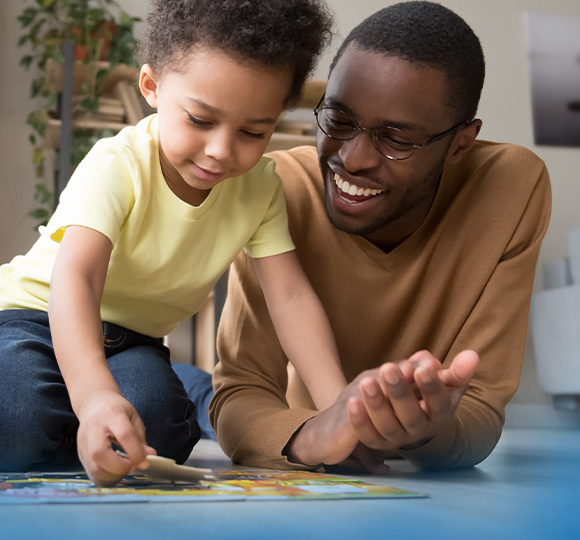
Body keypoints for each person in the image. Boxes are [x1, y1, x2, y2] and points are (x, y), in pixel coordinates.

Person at [0, 0, 343, 486]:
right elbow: (78, 276)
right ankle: (79, 403)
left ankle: (129, 401)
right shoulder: (117, 163)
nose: (221, 150)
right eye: (200, 120)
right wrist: (94, 398)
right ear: (152, 87)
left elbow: (291, 298)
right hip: (37, 320)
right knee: (5, 438)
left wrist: (338, 409)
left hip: (134, 341)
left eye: (252, 131)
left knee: (162, 433)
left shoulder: (260, 188)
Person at [205, 1, 552, 472]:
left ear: (459, 145)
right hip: (295, 415)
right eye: (339, 121)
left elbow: (481, 412)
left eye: (395, 139)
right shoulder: (277, 189)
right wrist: (316, 435)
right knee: (173, 396)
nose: (352, 158)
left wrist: (428, 429)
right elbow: (239, 394)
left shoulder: (511, 187)